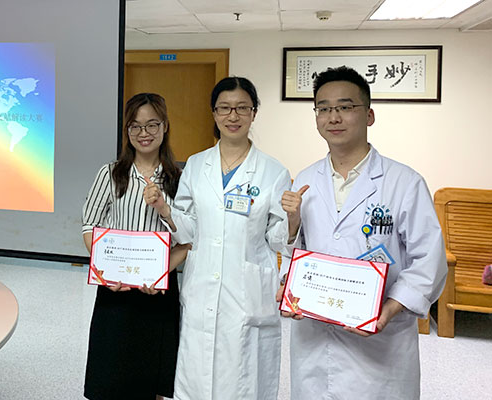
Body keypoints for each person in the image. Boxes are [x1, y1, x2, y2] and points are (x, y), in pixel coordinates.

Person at [280, 66, 448, 399]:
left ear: (369, 115)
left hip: (380, 347)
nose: (333, 117)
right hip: (315, 340)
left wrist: (390, 310)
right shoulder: (305, 179)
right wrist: (289, 280)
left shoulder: (404, 182)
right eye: (323, 108)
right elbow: (296, 252)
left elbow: (429, 261)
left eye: (345, 107)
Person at [145, 77, 292, 399]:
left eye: (242, 108)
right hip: (202, 286)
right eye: (224, 108)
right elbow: (189, 230)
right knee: (197, 375)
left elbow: (278, 238)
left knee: (242, 380)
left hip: (247, 291)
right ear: (214, 113)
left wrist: (293, 220)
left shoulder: (273, 171)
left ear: (254, 113)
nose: (233, 116)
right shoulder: (197, 165)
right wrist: (165, 209)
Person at [81, 93, 190, 400]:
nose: (144, 133)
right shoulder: (111, 174)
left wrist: (159, 273)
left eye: (152, 124)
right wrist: (104, 271)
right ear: (127, 130)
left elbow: (188, 240)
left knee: (152, 378)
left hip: (158, 292)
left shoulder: (180, 179)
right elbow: (90, 226)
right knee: (110, 375)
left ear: (165, 126)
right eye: (135, 126)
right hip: (115, 288)